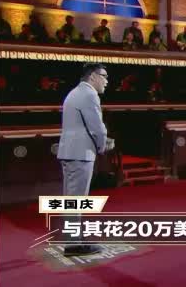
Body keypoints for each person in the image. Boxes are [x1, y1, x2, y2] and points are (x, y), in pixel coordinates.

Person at [57, 63, 114, 256]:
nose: (106, 81)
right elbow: (97, 127)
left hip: (70, 152)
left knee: (71, 201)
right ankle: (73, 244)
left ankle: (73, 240)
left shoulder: (74, 92)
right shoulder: (89, 94)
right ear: (92, 76)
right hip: (80, 154)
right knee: (76, 201)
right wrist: (103, 145)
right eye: (104, 76)